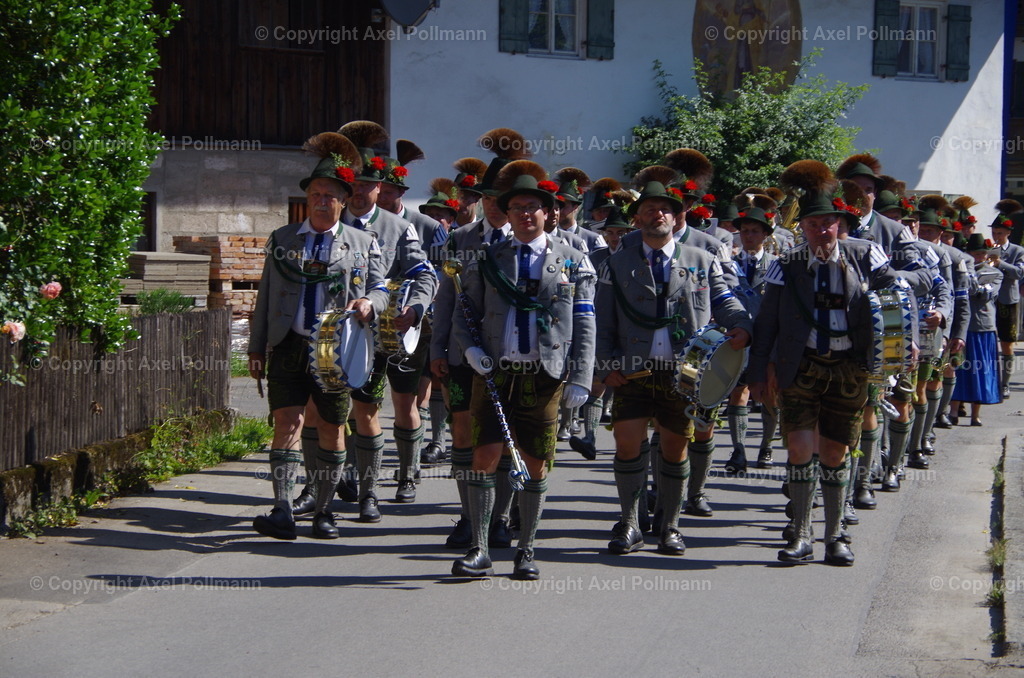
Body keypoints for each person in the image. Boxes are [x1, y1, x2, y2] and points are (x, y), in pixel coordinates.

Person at [749, 160, 904, 566]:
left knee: (835, 452)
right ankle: (801, 535)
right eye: (813, 224)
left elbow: (897, 298)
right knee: (800, 448)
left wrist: (900, 345)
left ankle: (835, 535)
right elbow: (765, 323)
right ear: (803, 227)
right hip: (800, 366)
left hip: (849, 368)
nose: (821, 230)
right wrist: (757, 372)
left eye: (828, 223)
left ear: (840, 223)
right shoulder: (787, 265)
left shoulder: (866, 255)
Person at [450, 163, 596, 579]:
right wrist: (471, 348)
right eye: (517, 208)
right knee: (484, 455)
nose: (525, 214)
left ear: (548, 212)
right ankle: (479, 548)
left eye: (533, 207)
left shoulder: (573, 259)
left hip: (544, 376)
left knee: (535, 463)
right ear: (507, 214)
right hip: (495, 373)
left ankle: (526, 550)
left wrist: (582, 377)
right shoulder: (489, 257)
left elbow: (585, 321)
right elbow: (465, 313)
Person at [596, 177, 752, 557]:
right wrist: (605, 365)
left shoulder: (702, 259)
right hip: (632, 370)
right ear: (637, 219)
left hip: (684, 373)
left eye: (665, 208)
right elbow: (602, 321)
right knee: (627, 442)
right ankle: (631, 522)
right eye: (649, 209)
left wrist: (743, 324)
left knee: (675, 448)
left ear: (676, 215)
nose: (658, 214)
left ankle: (670, 526)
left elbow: (725, 300)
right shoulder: (616, 264)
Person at [248, 132, 389, 540]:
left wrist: (370, 304)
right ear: (306, 197)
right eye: (315, 192)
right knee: (285, 423)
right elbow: (266, 295)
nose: (321, 199)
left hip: (335, 349)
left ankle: (325, 511)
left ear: (344, 201)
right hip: (289, 344)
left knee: (330, 425)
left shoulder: (363, 242)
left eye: (329, 194)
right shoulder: (283, 239)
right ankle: (281, 509)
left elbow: (382, 288)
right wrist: (256, 348)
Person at [336, 121, 438, 516]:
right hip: (353, 334)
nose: (359, 192)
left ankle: (408, 474)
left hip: (399, 330)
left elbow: (425, 273)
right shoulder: (336, 224)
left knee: (405, 403)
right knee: (356, 406)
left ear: (380, 188)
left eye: (367, 186)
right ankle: (360, 481)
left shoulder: (401, 227)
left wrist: (415, 311)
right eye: (354, 185)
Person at [430, 128, 521, 549]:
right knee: (464, 434)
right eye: (486, 198)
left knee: (502, 436)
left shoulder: (531, 242)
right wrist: (437, 350)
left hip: (511, 355)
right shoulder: (460, 240)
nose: (494, 206)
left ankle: (499, 518)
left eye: (500, 198)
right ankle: (469, 517)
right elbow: (445, 299)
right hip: (462, 355)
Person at [723, 193, 779, 472]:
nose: (748, 236)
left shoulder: (777, 263)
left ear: (765, 235)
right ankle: (738, 450)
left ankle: (766, 447)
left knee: (769, 393)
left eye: (755, 231)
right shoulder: (729, 263)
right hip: (739, 335)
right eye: (744, 231)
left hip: (767, 338)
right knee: (738, 391)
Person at [949, 234, 1003, 424]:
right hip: (964, 327)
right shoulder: (959, 270)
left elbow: (983, 293)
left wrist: (970, 279)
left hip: (983, 327)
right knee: (959, 368)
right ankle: (953, 411)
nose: (979, 257)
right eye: (975, 253)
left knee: (981, 370)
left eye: (982, 253)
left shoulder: (995, 273)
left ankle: (975, 414)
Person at [988, 210, 1024, 399]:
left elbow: (1019, 274)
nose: (996, 236)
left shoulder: (1017, 251)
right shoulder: (989, 248)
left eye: (1000, 233)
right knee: (990, 343)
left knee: (1007, 343)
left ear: (1008, 233)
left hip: (1008, 301)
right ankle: (992, 380)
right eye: (994, 232)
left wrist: (1000, 263)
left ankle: (1006, 383)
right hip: (990, 301)